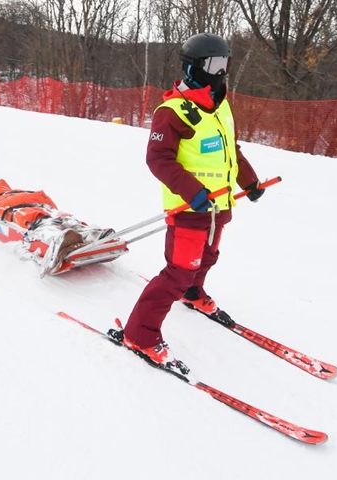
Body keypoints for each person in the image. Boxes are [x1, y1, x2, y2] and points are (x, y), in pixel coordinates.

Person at [110, 33, 267, 370]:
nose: (221, 72)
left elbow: (231, 152)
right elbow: (159, 160)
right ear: (195, 67)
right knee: (178, 272)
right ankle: (140, 333)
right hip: (191, 209)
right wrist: (192, 191)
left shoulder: (221, 105)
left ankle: (193, 294)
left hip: (219, 207)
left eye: (225, 63)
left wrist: (249, 180)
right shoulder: (172, 111)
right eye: (214, 64)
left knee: (208, 257)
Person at [0, 179, 115, 269]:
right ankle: (90, 234)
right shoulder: (17, 194)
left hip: (38, 213)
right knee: (64, 222)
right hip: (46, 211)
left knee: (48, 224)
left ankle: (66, 238)